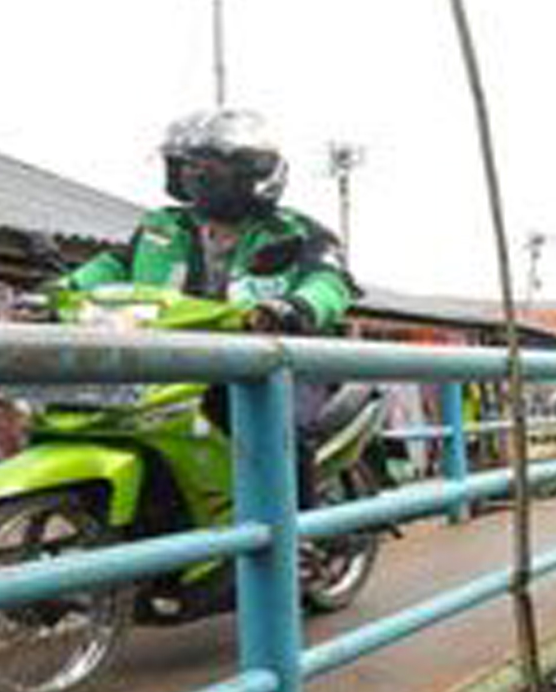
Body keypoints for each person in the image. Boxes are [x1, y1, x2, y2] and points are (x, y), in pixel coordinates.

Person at [59, 108, 366, 496]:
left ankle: (293, 538)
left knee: (279, 426)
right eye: (189, 166)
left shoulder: (297, 232)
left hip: (279, 359)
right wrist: (60, 289)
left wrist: (295, 307)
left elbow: (329, 281)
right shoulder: (161, 228)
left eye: (211, 169)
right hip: (174, 358)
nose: (197, 176)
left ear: (251, 175)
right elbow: (113, 266)